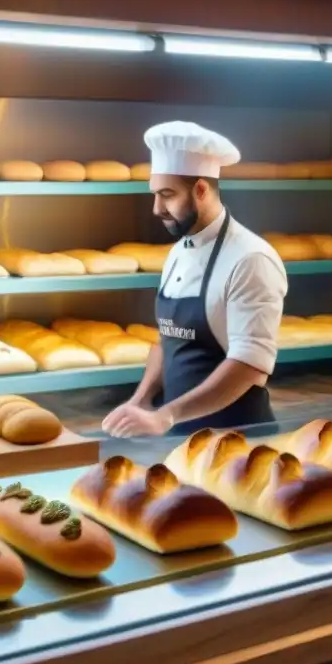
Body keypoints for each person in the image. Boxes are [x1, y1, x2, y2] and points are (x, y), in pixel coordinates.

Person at [102, 121, 288, 438]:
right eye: (155, 195)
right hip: (180, 434)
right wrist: (141, 403)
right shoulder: (178, 252)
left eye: (167, 195)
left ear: (201, 190)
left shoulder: (250, 259)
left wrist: (167, 415)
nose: (157, 208)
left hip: (237, 439)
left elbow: (248, 365)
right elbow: (168, 341)